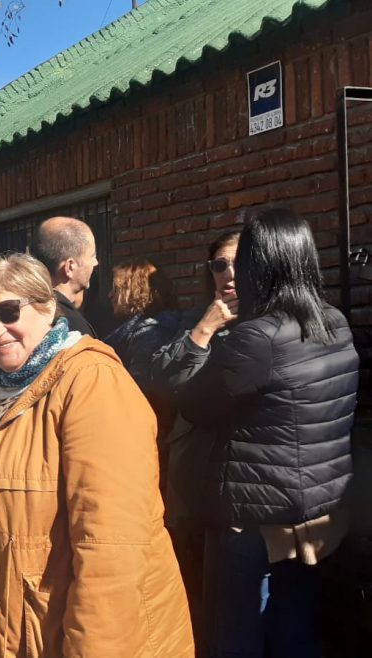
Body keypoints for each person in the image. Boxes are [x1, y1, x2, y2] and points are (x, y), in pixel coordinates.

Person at [0, 252, 193, 658]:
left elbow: (112, 549)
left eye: (8, 311)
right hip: (8, 620)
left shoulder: (92, 383)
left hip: (66, 631)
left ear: (47, 306)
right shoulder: (3, 387)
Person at [177, 209, 359, 658]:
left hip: (252, 521)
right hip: (315, 512)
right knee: (294, 625)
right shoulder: (334, 321)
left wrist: (202, 340)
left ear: (262, 264)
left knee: (235, 636)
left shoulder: (258, 337)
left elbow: (194, 403)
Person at [147, 229, 241, 634]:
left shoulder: (272, 324)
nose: (230, 273)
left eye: (239, 262)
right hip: (192, 484)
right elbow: (161, 381)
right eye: (220, 265)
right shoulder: (195, 320)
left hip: (243, 491)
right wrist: (205, 330)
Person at [103, 258, 183, 438]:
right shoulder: (135, 329)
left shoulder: (149, 333)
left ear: (134, 291)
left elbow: (140, 393)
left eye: (116, 289)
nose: (110, 295)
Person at [31, 216, 98, 335]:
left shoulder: (26, 311)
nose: (96, 262)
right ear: (70, 267)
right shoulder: (71, 330)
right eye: (92, 256)